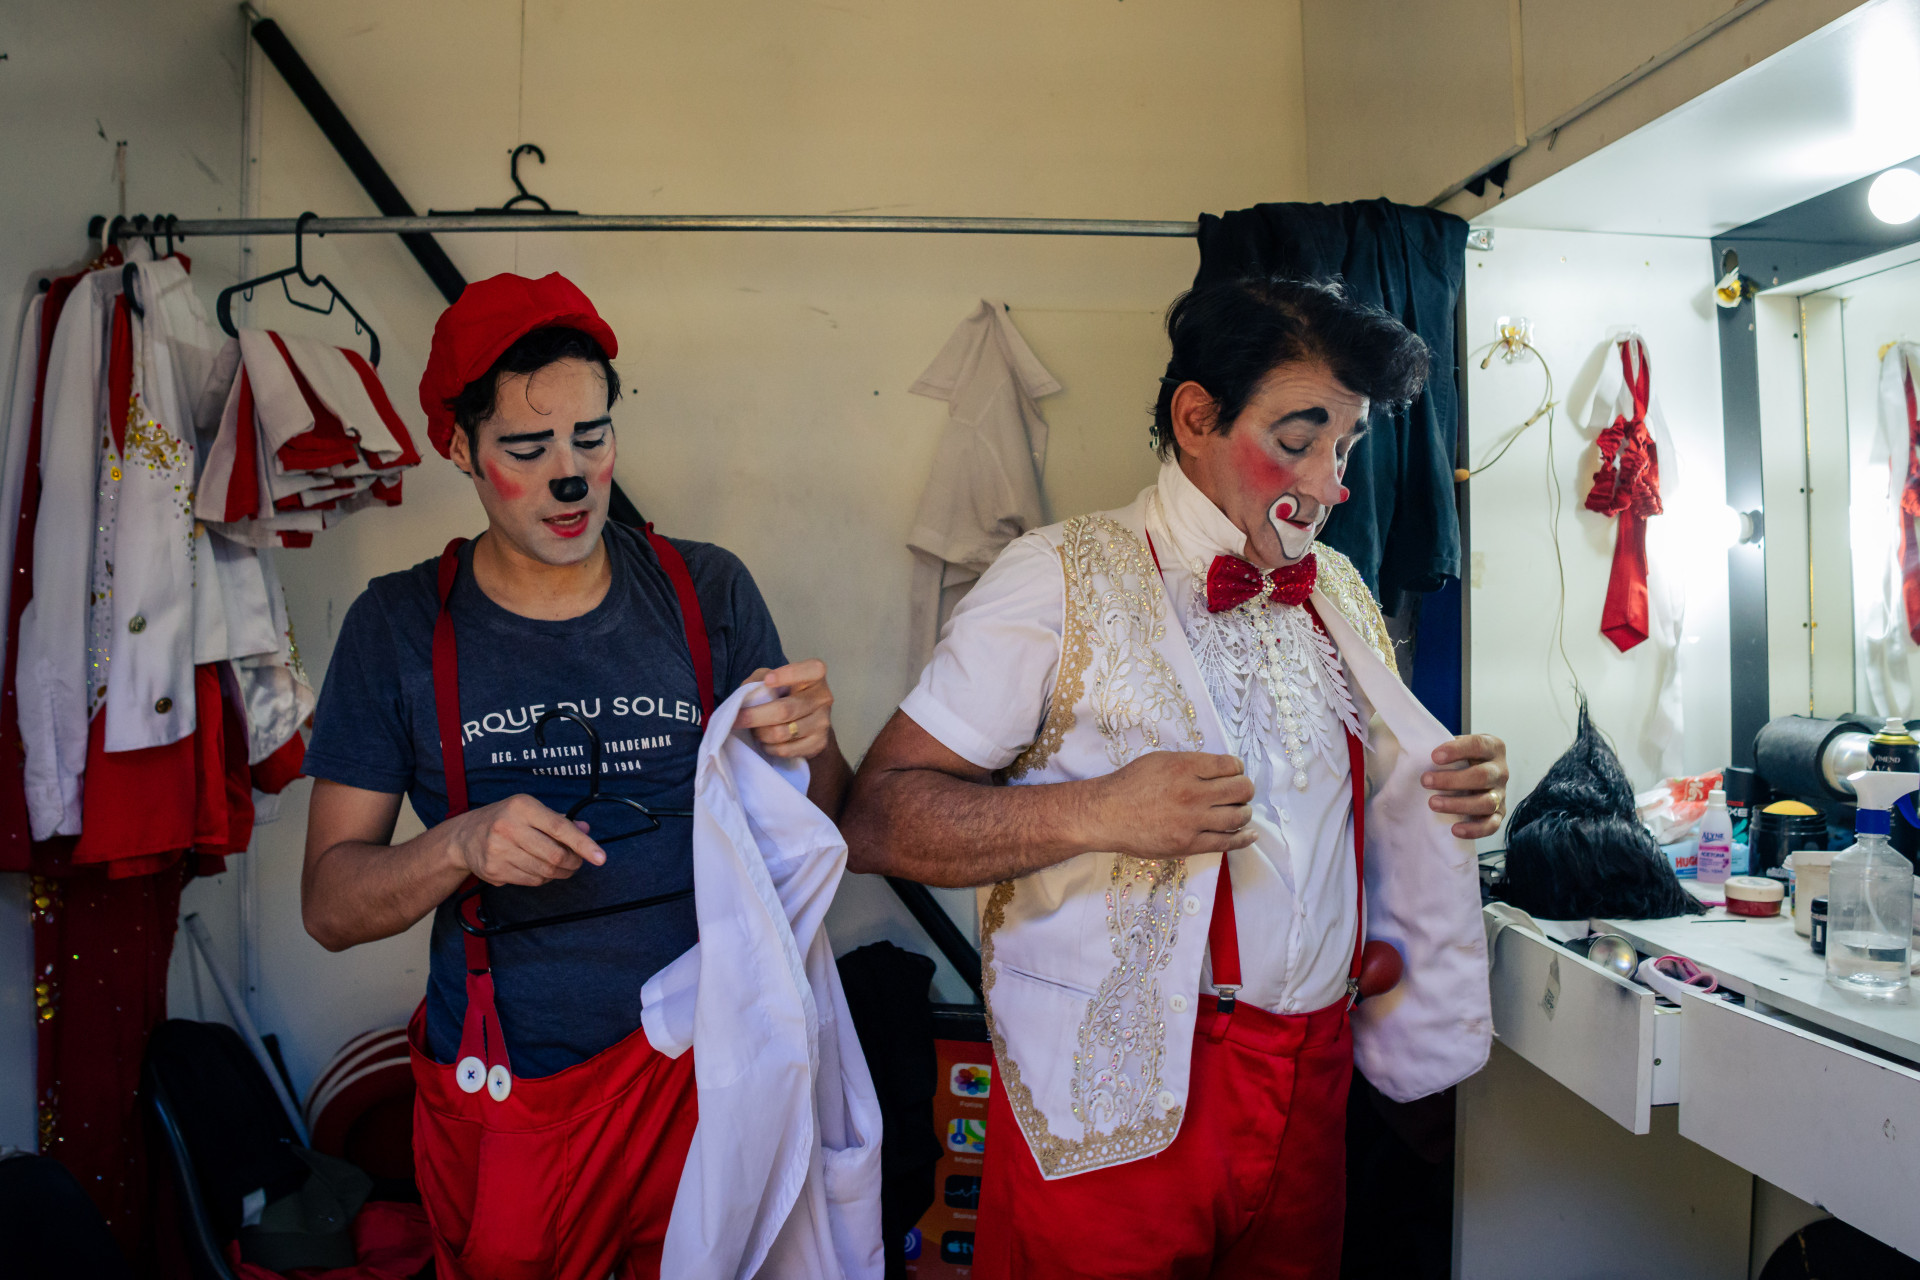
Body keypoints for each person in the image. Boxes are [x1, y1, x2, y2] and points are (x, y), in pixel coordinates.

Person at [841, 276, 1505, 1279]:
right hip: (1109, 1105)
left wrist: (1452, 788)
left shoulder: (1340, 590)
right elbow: (877, 817)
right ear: (1196, 418)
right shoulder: (1054, 576)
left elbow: (1350, 823)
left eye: (1348, 446)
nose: (1333, 485)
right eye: (1300, 439)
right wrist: (1099, 809)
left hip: (1313, 1086)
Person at [299, 272, 850, 1280]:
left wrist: (813, 738)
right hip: (516, 1102)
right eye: (528, 448)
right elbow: (330, 904)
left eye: (591, 439)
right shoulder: (398, 628)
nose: (571, 477)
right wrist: (459, 844)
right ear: (459, 447)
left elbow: (830, 813)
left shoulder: (706, 590)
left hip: (708, 1078)